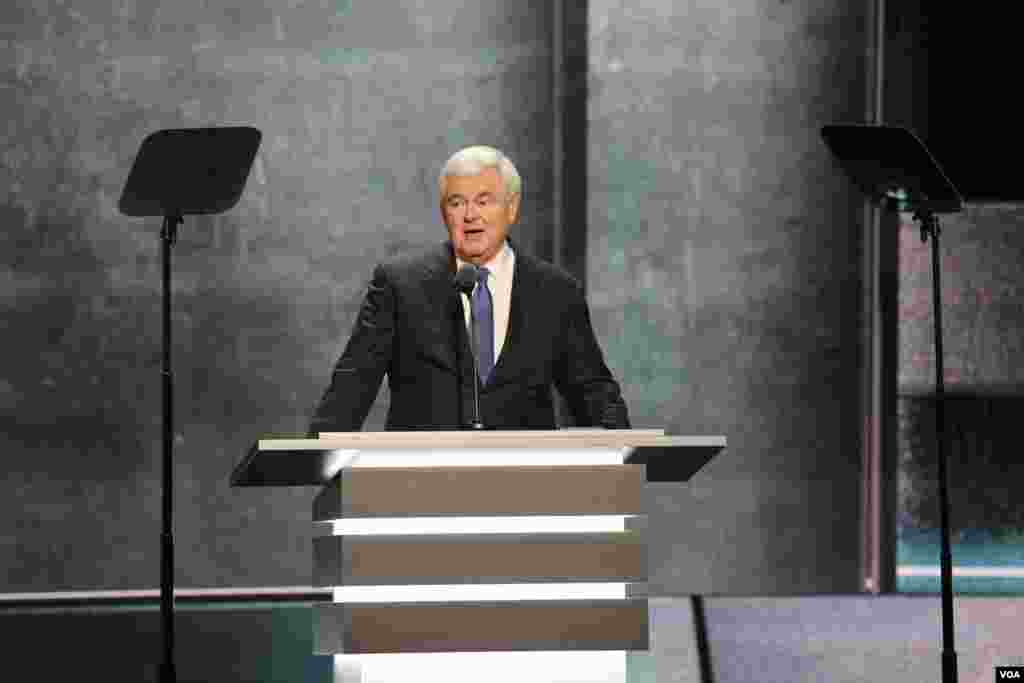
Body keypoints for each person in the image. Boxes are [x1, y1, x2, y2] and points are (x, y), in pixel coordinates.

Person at [308, 145, 629, 432]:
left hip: (526, 487)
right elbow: (353, 384)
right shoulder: (399, 284)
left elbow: (593, 391)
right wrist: (316, 458)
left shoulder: (556, 291)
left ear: (512, 208)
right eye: (456, 202)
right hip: (418, 486)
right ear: (443, 212)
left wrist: (621, 451)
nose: (470, 215)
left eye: (484, 201)